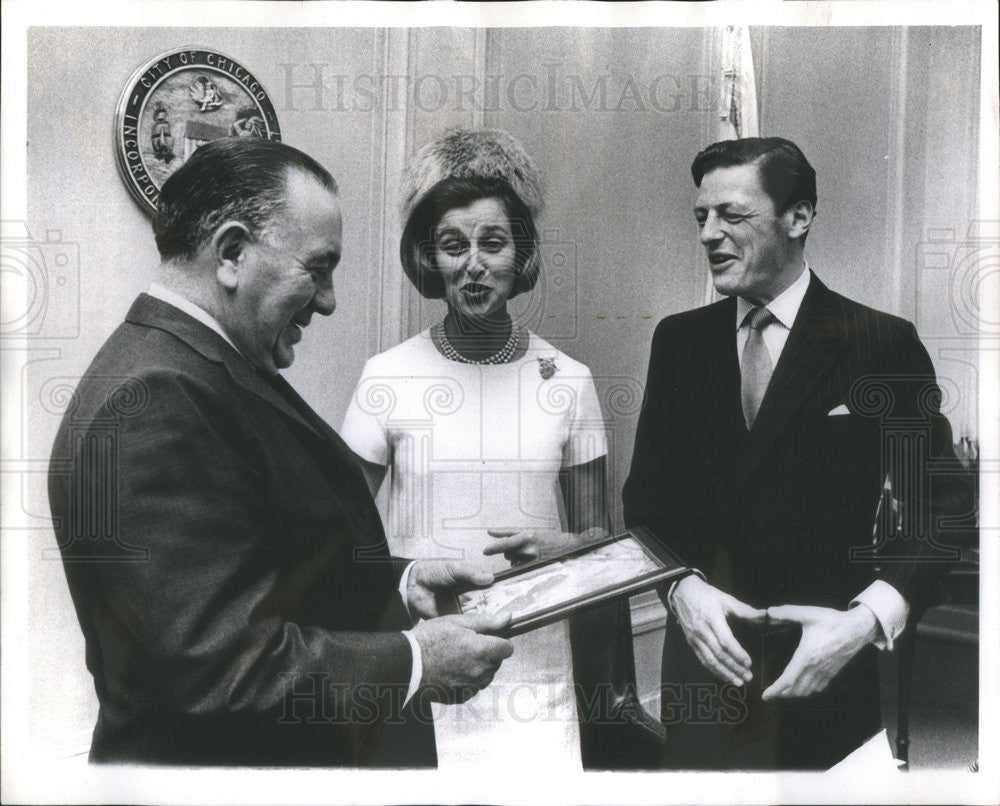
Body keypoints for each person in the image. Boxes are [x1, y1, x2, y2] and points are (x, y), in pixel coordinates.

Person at [47, 137, 514, 767]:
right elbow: (218, 668)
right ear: (233, 253)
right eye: (317, 268)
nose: (328, 300)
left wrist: (400, 580)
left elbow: (268, 560)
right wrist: (419, 659)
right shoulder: (158, 395)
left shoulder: (202, 365)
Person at [623, 137, 973, 769]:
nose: (708, 233)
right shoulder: (679, 342)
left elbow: (942, 512)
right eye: (701, 217)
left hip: (828, 675)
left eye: (732, 215)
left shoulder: (878, 344)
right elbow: (647, 505)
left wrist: (864, 623)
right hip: (702, 673)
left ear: (799, 217)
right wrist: (679, 589)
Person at [342, 128, 662, 771]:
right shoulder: (387, 376)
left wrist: (567, 549)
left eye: (493, 242)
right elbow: (341, 535)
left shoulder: (569, 380)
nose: (474, 264)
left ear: (522, 256)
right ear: (432, 261)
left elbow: (601, 538)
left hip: (535, 659)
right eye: (453, 246)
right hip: (428, 651)